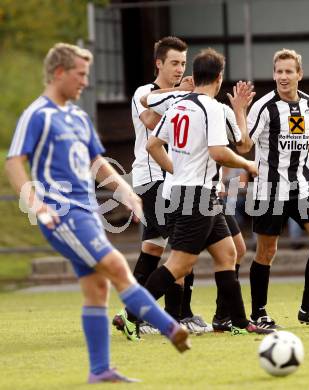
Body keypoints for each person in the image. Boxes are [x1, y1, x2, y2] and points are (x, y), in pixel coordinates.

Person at [5, 43, 190, 384]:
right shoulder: (38, 114)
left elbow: (97, 163)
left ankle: (100, 370)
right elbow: (15, 162)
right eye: (80, 74)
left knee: (97, 289)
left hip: (87, 212)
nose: (85, 82)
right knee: (118, 266)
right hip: (61, 213)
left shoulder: (78, 117)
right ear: (59, 73)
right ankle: (170, 328)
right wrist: (36, 203)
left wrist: (127, 194)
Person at [145, 48, 273, 337]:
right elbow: (225, 152)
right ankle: (130, 313)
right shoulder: (213, 108)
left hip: (185, 193)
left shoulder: (178, 106)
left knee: (229, 252)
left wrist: (176, 169)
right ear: (219, 77)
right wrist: (249, 165)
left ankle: (239, 323)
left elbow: (152, 145)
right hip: (196, 195)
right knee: (181, 263)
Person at [240, 48, 309, 329]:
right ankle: (259, 313)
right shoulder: (263, 106)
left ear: (299, 74)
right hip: (270, 190)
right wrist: (239, 110)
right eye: (279, 71)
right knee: (266, 251)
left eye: (289, 71)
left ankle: (308, 308)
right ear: (274, 73)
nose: (283, 76)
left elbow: (307, 136)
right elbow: (244, 145)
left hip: (303, 186)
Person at [113, 36, 211, 336]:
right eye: (174, 63)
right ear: (159, 63)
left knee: (152, 250)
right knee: (184, 247)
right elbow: (152, 122)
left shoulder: (183, 94)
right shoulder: (145, 92)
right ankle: (178, 315)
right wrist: (178, 95)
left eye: (183, 63)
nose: (180, 69)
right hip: (151, 179)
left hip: (170, 181)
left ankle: (130, 314)